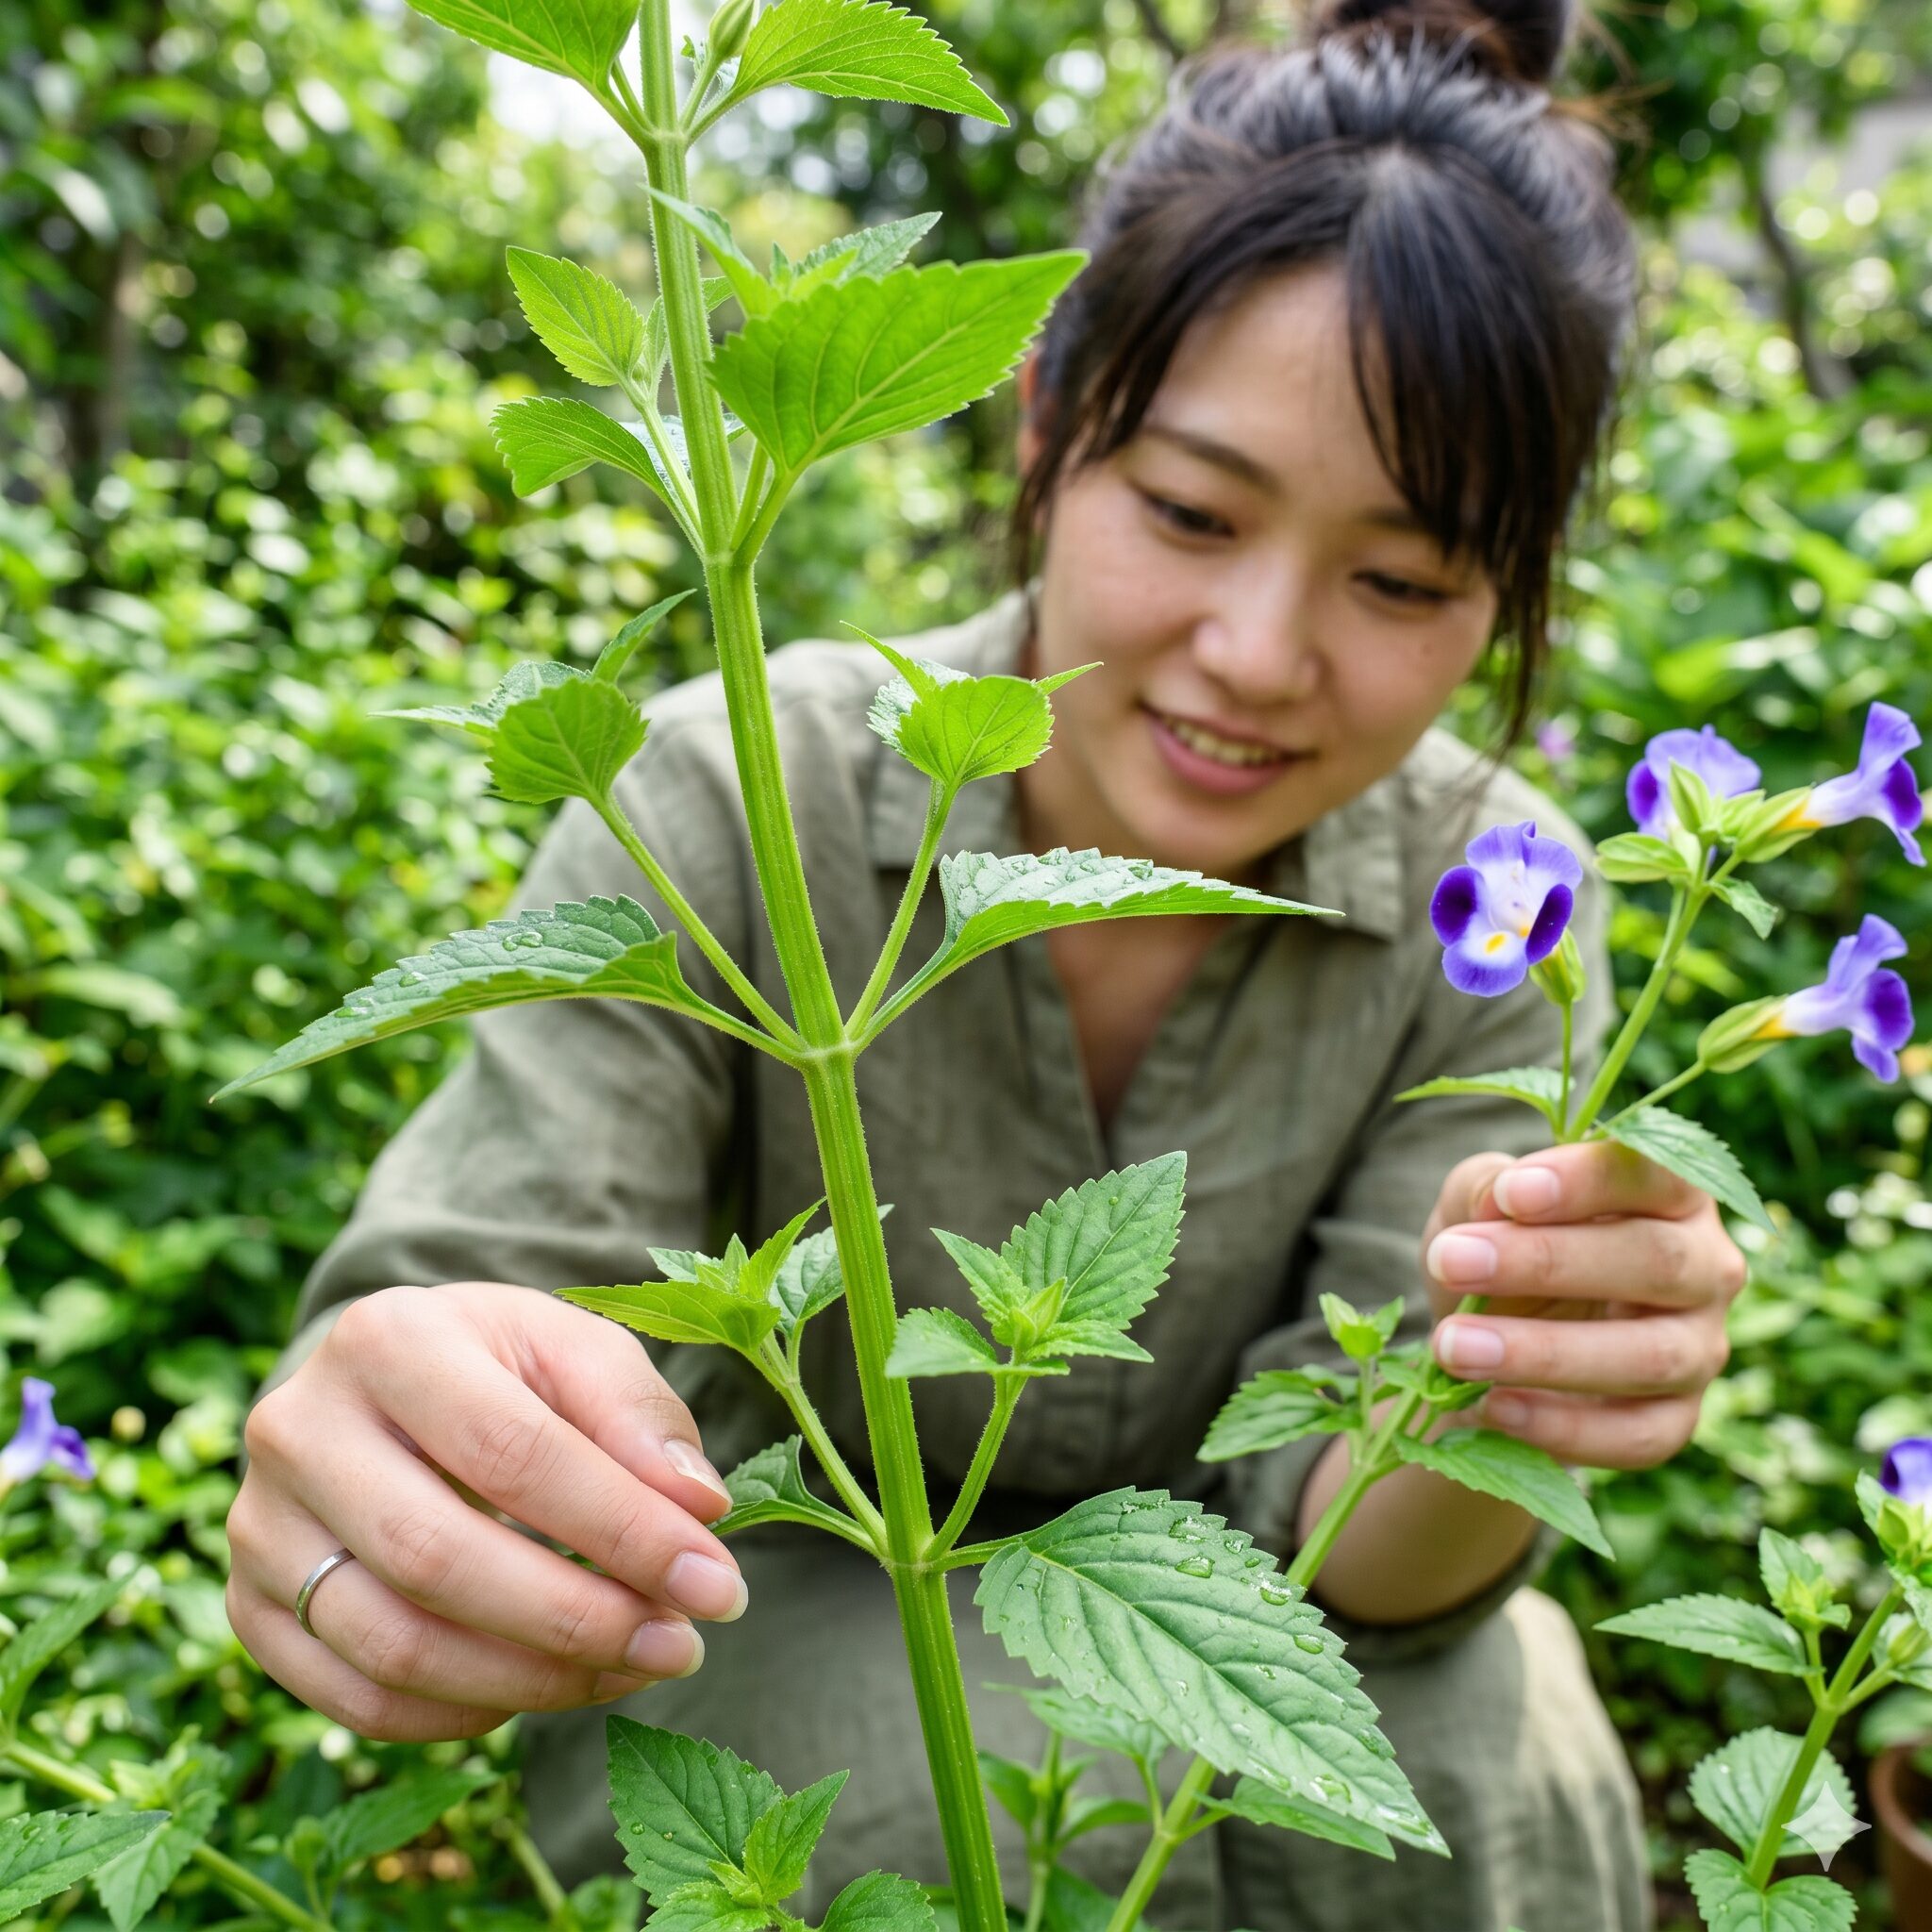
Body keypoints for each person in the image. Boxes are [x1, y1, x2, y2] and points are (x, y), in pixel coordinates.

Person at [228, 1, 1745, 1925]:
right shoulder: (739, 789)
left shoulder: (1502, 881)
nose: (1259, 654)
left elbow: (1359, 1566)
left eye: (1404, 579)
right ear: (1045, 421)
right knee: (862, 1782)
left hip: (1277, 1620)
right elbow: (492, 1293)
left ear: (1512, 597)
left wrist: (1512, 1381)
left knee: (1473, 1756)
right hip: (773, 1590)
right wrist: (415, 1449)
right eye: (1189, 512)